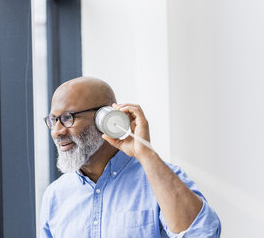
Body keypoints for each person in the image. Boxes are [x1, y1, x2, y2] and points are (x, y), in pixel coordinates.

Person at [40, 77, 221, 238]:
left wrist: (145, 153)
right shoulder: (55, 195)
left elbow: (202, 233)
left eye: (67, 118)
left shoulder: (160, 179)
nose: (57, 132)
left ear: (105, 118)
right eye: (53, 120)